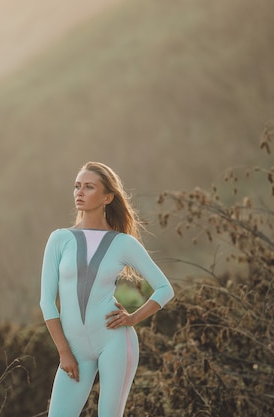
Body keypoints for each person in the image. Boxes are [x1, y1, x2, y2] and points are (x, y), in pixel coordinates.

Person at [40, 161, 174, 417]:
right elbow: (46, 302)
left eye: (89, 187)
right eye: (77, 186)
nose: (80, 192)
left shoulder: (123, 243)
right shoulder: (60, 239)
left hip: (114, 341)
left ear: (107, 197)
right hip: (74, 350)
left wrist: (132, 318)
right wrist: (64, 352)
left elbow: (164, 288)